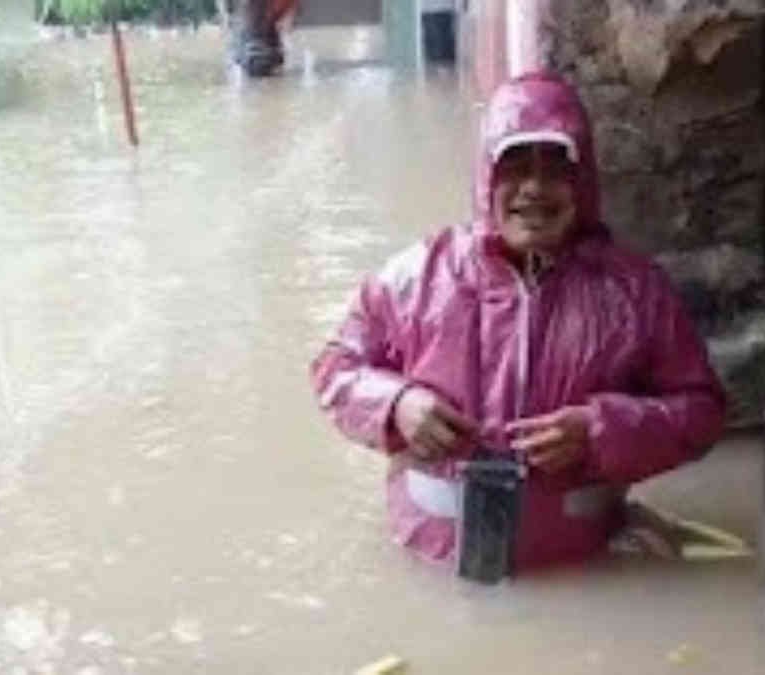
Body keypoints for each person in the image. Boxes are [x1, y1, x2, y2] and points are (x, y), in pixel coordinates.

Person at [309, 72, 727, 571]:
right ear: (486, 176)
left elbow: (702, 413)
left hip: (578, 565)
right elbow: (335, 368)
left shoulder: (636, 292)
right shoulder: (415, 276)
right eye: (515, 166)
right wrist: (396, 405)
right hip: (428, 559)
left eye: (555, 169)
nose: (533, 188)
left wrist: (600, 430)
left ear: (582, 182)